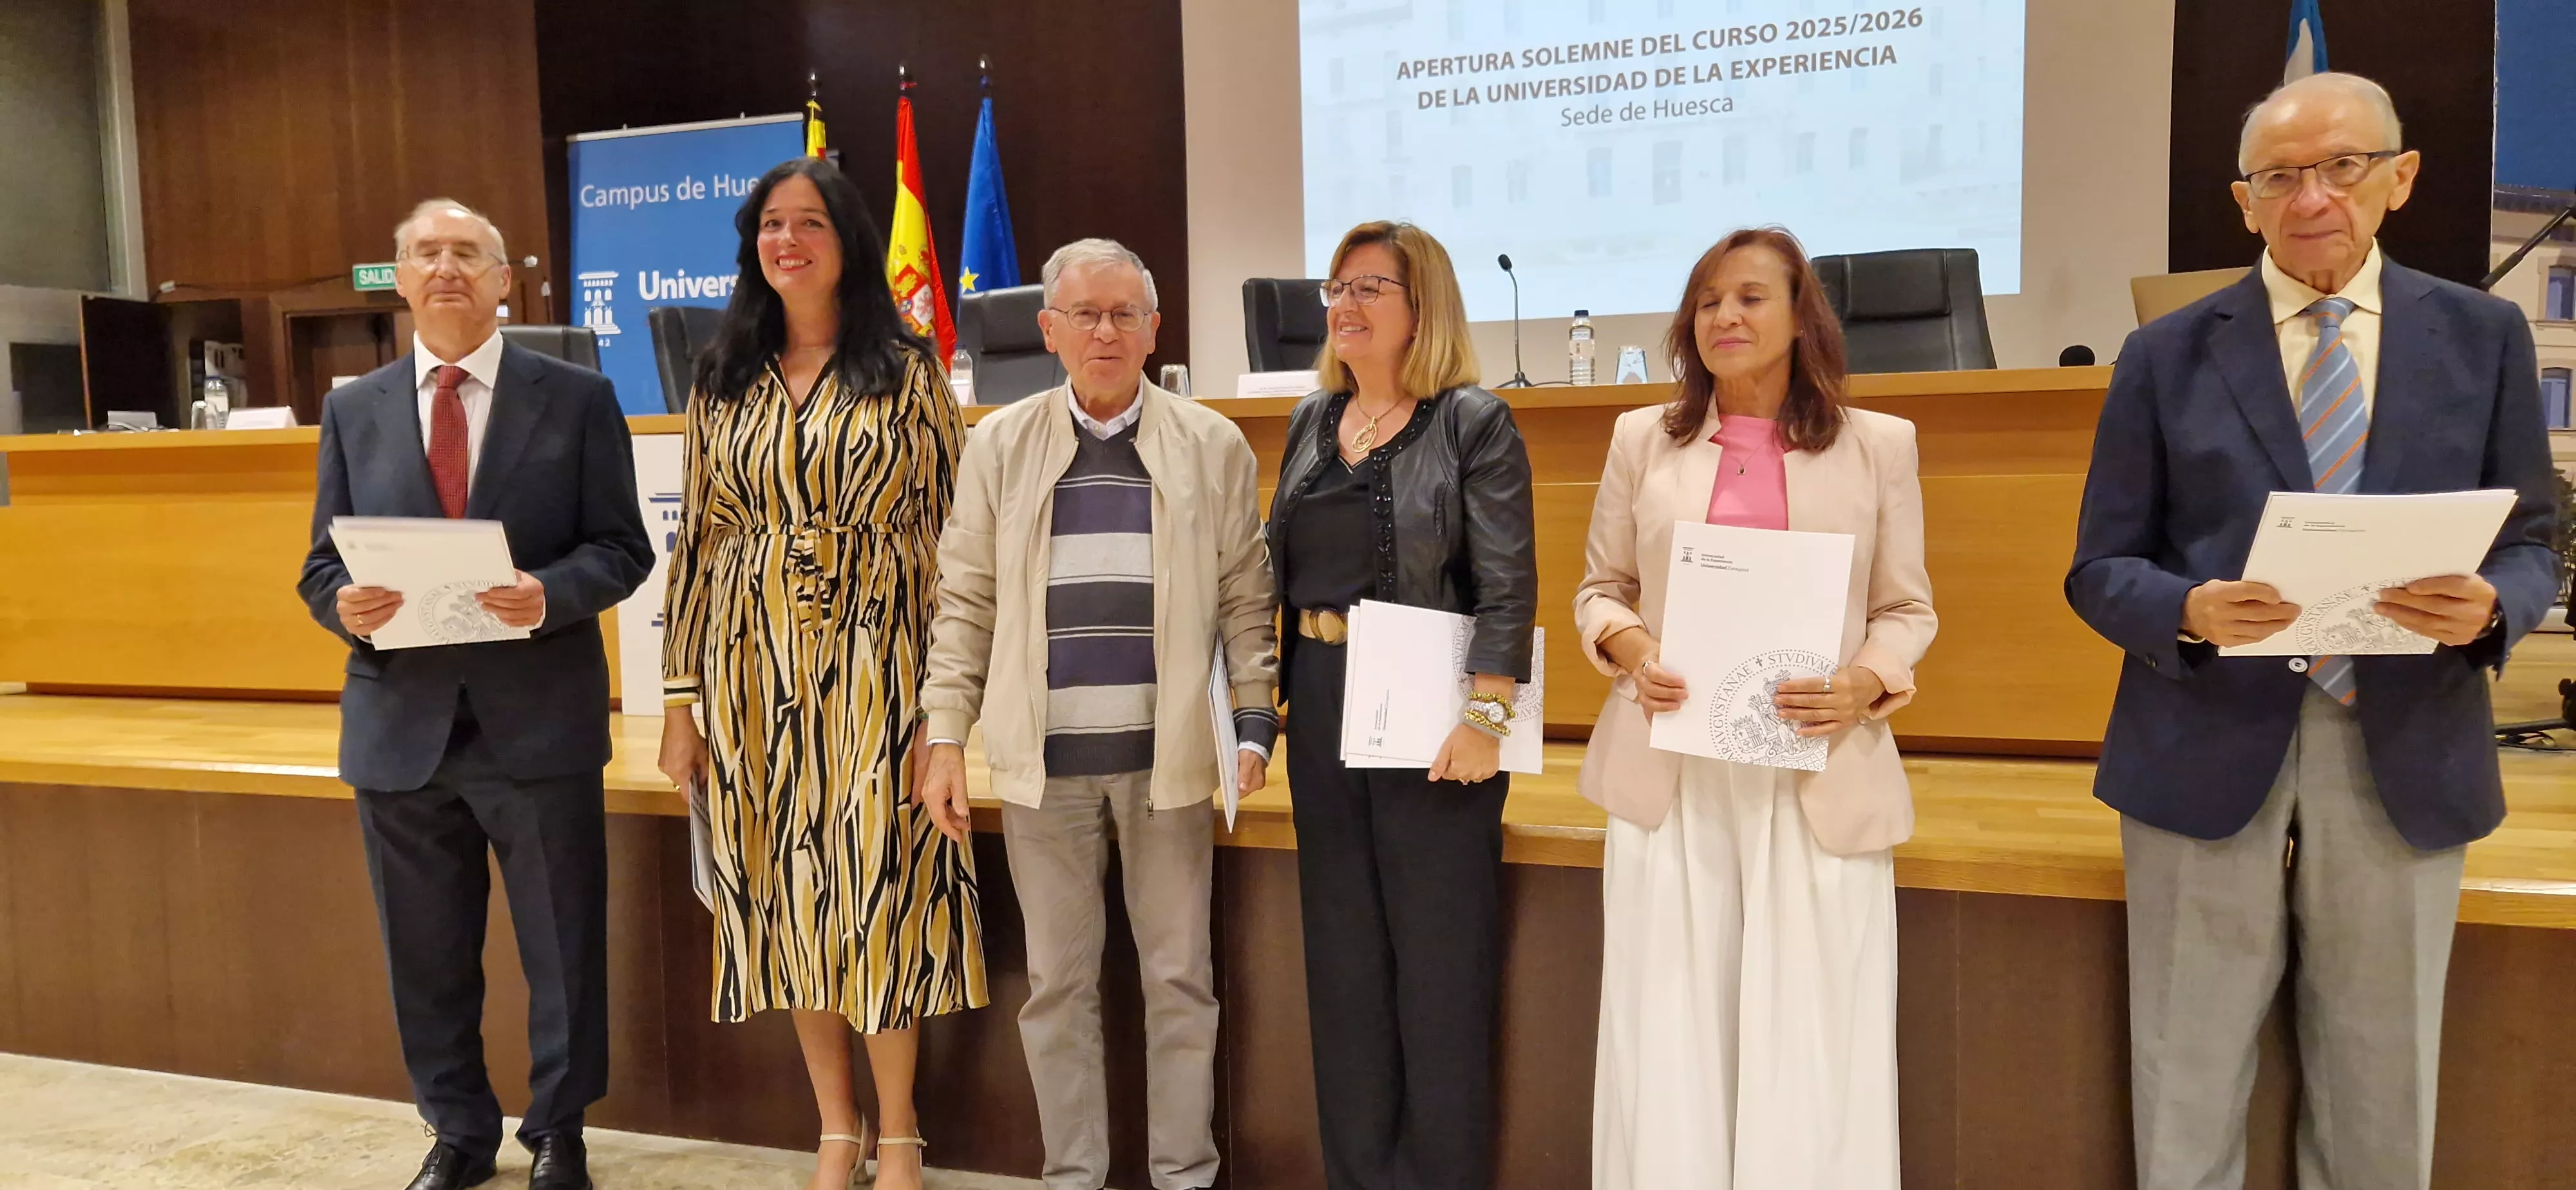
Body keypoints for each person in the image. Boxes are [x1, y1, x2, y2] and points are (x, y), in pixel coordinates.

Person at [2065, 72, 2556, 1190]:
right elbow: (2098, 569)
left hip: (2406, 741)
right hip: (2200, 741)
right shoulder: (2166, 353)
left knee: (2383, 1080)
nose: (2313, 196)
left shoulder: (2483, 338)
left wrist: (2495, 607)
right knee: (2184, 1072)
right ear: (2245, 202)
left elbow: (2531, 542)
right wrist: (2183, 609)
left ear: (2400, 177)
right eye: (2281, 176)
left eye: (2342, 166)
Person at [297, 198, 654, 1190]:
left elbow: (624, 548)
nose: (445, 267)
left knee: (563, 947)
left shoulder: (577, 397)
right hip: (400, 723)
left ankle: (559, 1130)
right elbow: (320, 567)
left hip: (536, 719)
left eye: (467, 253)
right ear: (399, 280)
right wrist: (347, 608)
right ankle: (458, 1131)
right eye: (425, 253)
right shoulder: (353, 407)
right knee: (426, 955)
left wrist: (548, 595)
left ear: (506, 281)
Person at [1573, 227, 1935, 1189]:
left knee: (1814, 1029)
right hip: (1674, 773)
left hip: (1816, 770)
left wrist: (1867, 679)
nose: (1725, 317)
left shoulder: (1879, 446)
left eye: (1749, 298)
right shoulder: (1642, 439)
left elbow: (1907, 609)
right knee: (1670, 1023)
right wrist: (1632, 649)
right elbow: (1599, 590)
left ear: (1800, 317)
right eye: (1707, 302)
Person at [916, 238, 1280, 1190]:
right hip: (1043, 767)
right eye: (1086, 314)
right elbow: (964, 602)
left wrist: (1253, 719)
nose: (1106, 331)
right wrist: (945, 736)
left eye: (1125, 313)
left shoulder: (1214, 445)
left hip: (1171, 766)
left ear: (1156, 328)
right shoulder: (998, 445)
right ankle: (1072, 1177)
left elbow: (1248, 597)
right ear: (1049, 330)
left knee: (1178, 985)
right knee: (1058, 990)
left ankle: (1184, 1176)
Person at [654, 157, 987, 1190]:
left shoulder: (909, 370)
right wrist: (681, 702)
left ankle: (899, 1131)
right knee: (789, 891)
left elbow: (953, 543)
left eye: (808, 223)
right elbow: (700, 544)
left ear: (846, 243)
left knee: (875, 892)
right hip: (754, 678)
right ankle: (834, 1126)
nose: (786, 240)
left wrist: (948, 712)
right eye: (769, 225)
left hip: (879, 669)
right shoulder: (721, 377)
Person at [1269, 220, 1537, 1190]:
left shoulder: (1473, 421)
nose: (1344, 306)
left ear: (1422, 305)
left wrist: (1488, 723)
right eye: (1335, 289)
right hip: (1325, 703)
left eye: (1370, 288)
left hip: (1433, 716)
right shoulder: (1310, 422)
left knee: (1439, 974)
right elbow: (1277, 574)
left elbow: (1508, 587)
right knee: (1344, 969)